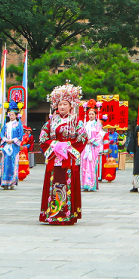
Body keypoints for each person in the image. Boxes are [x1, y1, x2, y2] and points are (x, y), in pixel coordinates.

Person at [39, 83, 88, 225]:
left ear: (71, 105)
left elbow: (83, 138)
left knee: (67, 182)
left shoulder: (76, 121)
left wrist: (67, 147)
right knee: (54, 182)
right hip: (54, 158)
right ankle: (53, 213)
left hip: (69, 159)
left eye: (65, 104)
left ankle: (67, 213)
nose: (61, 107)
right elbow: (43, 138)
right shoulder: (51, 121)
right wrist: (55, 145)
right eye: (60, 104)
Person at [80, 101, 104, 193]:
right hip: (85, 147)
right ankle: (84, 184)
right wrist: (85, 141)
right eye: (89, 114)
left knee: (91, 164)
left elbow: (99, 135)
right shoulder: (85, 124)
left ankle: (91, 184)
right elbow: (81, 134)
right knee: (84, 164)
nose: (90, 116)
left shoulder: (97, 124)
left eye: (92, 114)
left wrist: (92, 141)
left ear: (95, 115)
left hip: (93, 148)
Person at [0, 106, 24, 189]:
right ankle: (4, 182)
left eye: (13, 115)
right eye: (10, 115)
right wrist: (6, 140)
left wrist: (13, 140)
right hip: (6, 146)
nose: (11, 116)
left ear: (16, 115)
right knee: (5, 163)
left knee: (13, 164)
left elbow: (20, 135)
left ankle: (12, 182)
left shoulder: (18, 125)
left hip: (14, 146)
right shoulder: (6, 125)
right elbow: (2, 134)